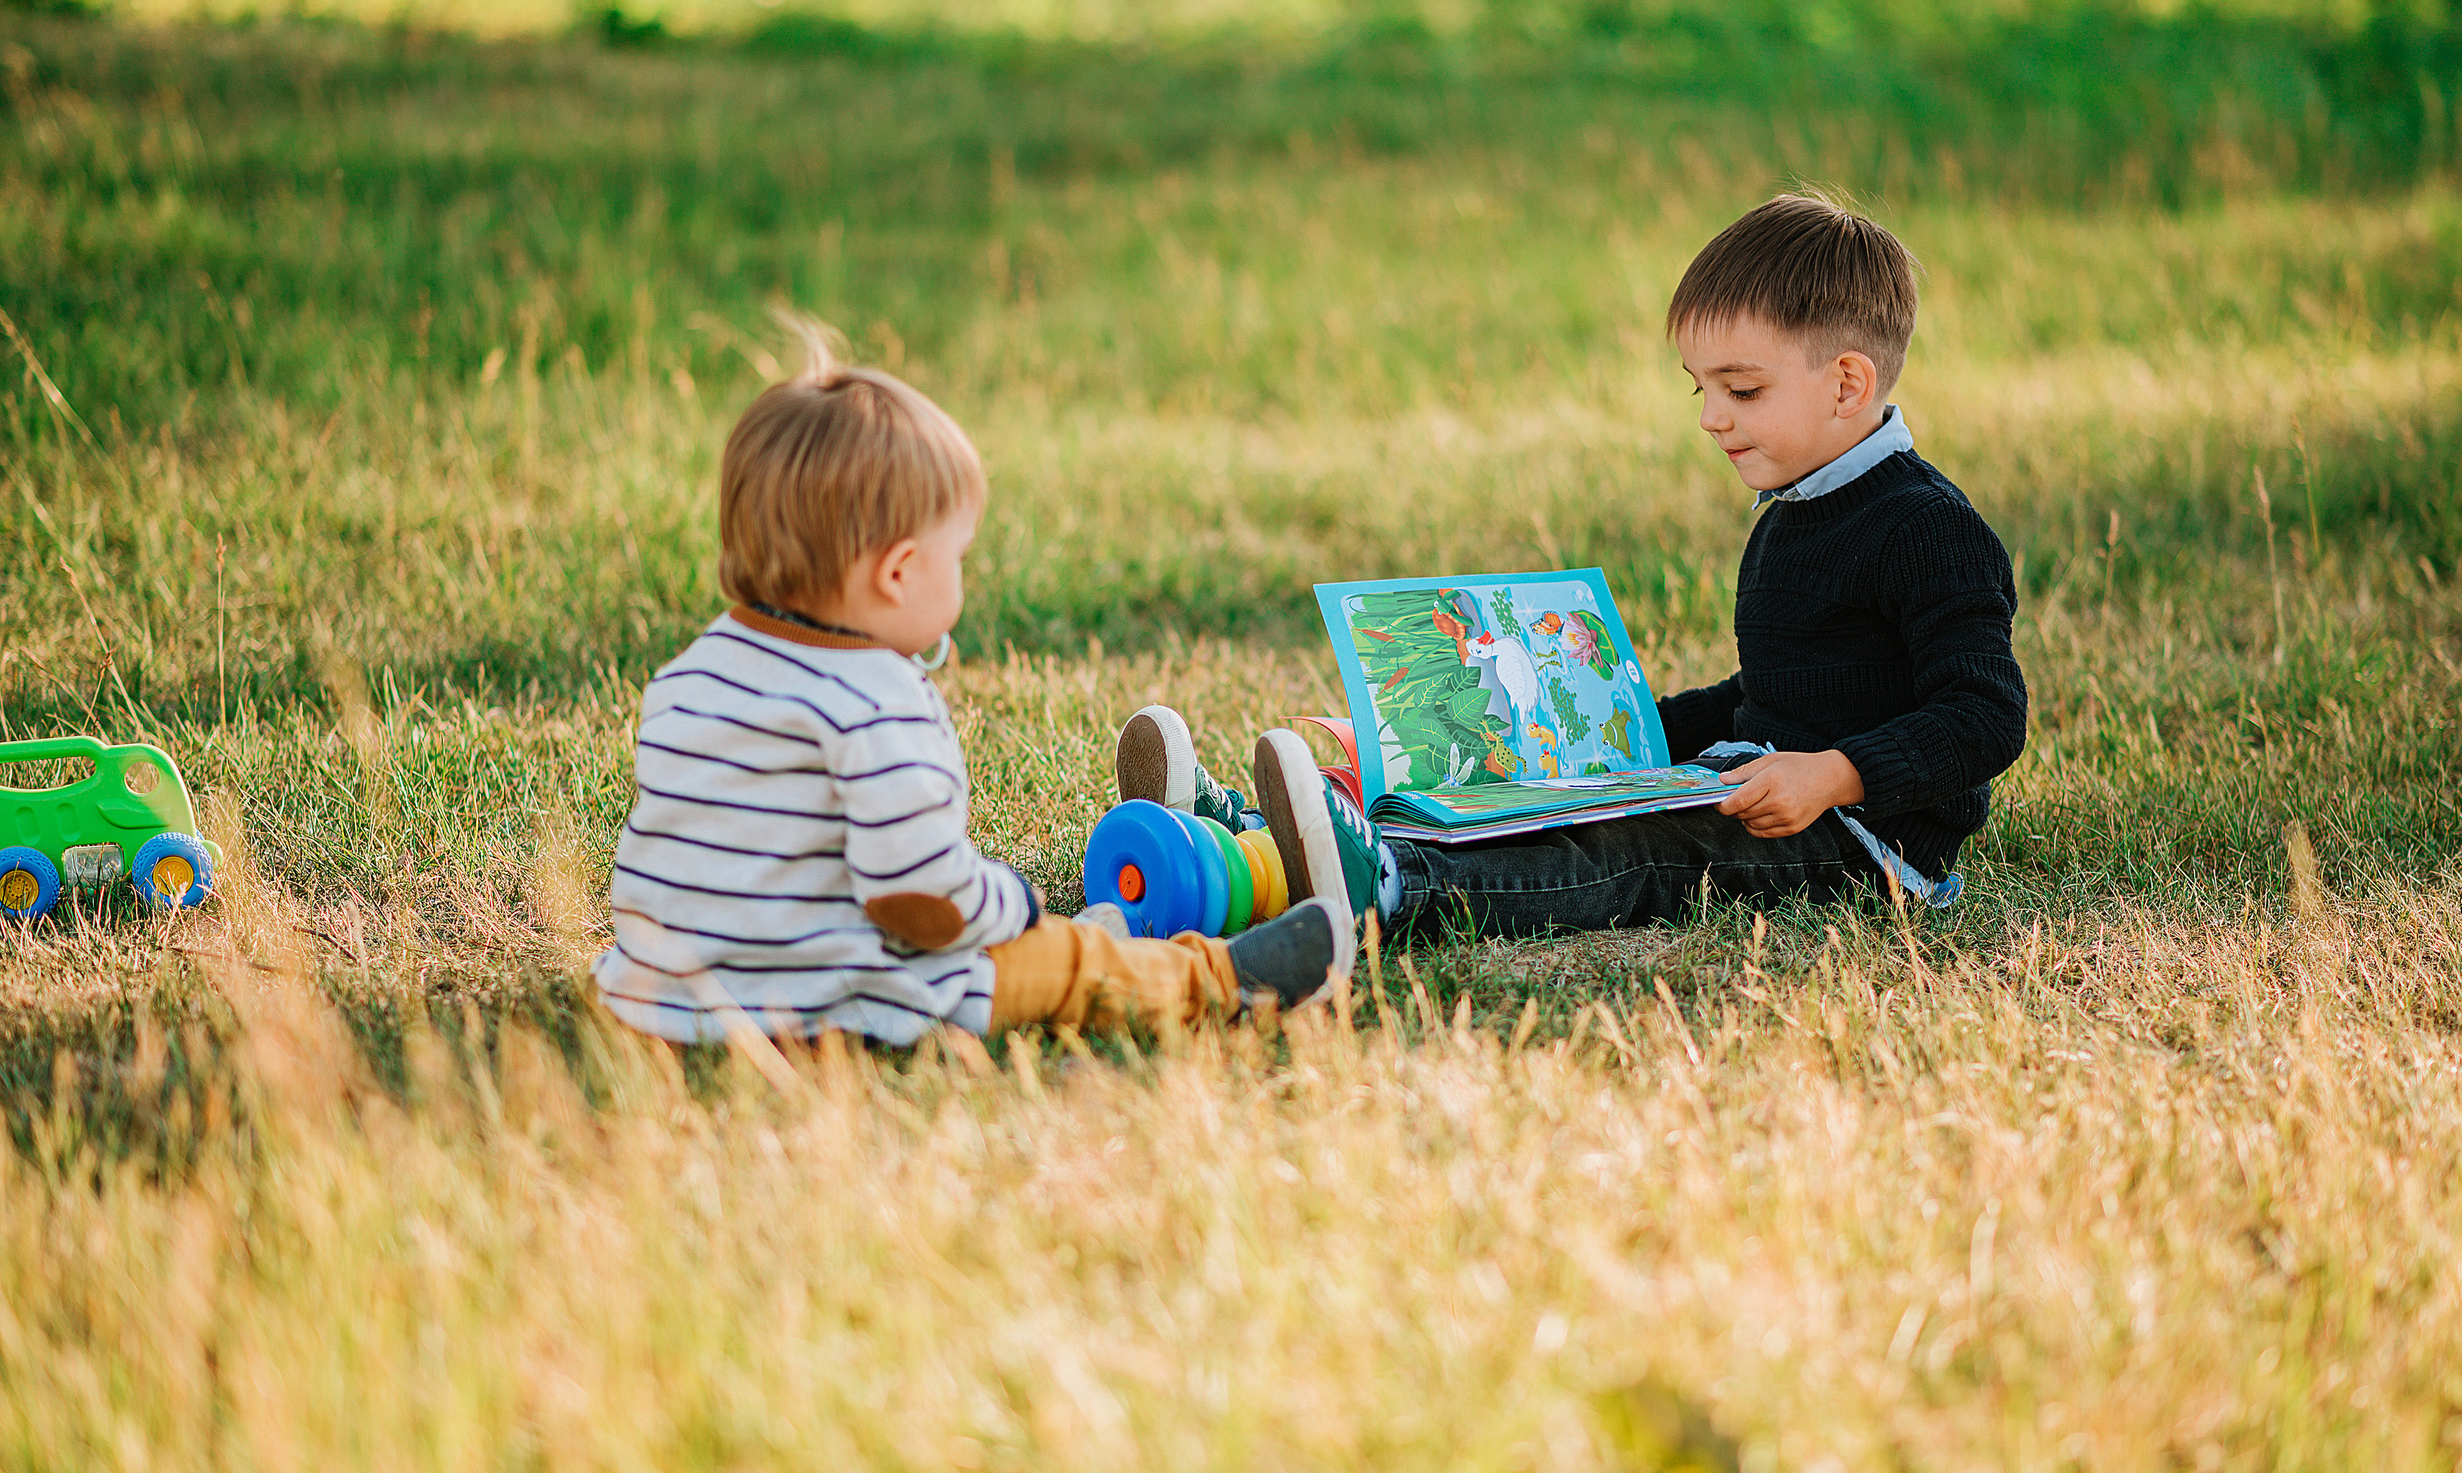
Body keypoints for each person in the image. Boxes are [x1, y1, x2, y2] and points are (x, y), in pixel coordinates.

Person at [1125, 193, 2028, 938]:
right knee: (1526, 789)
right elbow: (1778, 690)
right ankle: (1244, 846)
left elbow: (1985, 714)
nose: (1711, 417)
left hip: (1861, 841)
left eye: (1742, 390)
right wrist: (1622, 736)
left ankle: (1395, 884)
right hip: (1757, 783)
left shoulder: (1929, 529)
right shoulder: (1798, 509)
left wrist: (1835, 773)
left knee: (1635, 854)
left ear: (1847, 384)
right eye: (1701, 388)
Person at [592, 328, 1350, 1045]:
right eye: (956, 556)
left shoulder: (690, 674)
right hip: (819, 1000)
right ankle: (1224, 979)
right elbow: (917, 899)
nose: (962, 574)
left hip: (660, 995)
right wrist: (1011, 903)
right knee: (1061, 965)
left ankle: (1113, 931)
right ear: (898, 573)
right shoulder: (874, 701)